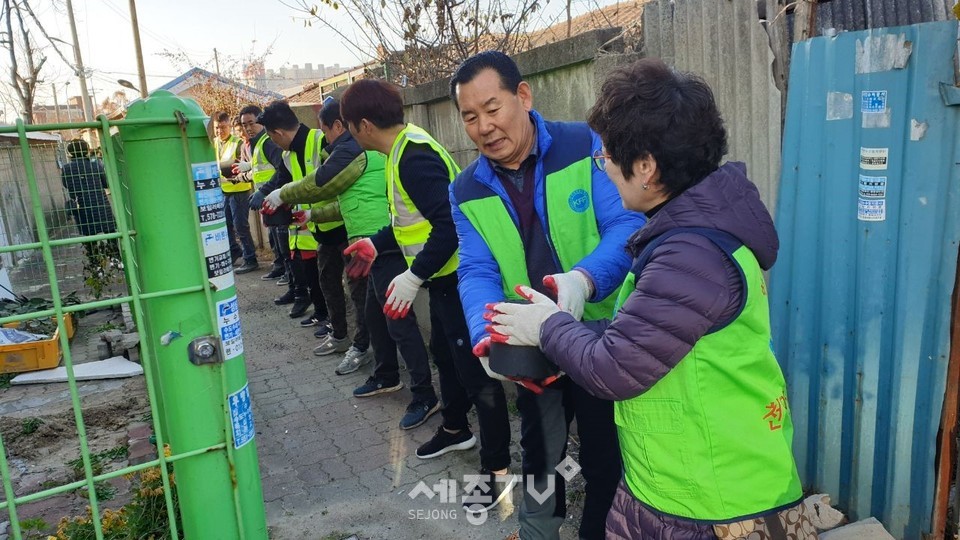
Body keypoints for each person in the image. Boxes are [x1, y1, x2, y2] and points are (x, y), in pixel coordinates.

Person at [487, 58, 816, 540]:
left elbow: (617, 366)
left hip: (715, 501)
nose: (605, 169)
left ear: (645, 167)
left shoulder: (690, 253)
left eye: (606, 159)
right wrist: (561, 325)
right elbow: (642, 334)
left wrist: (547, 327)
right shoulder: (682, 237)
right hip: (669, 481)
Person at [448, 51, 645, 539]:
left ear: (523, 95)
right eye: (470, 117)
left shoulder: (584, 145)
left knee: (605, 458)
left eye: (492, 109)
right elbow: (476, 269)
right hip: (532, 344)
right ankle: (538, 532)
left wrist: (583, 280)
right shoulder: (466, 188)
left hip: (600, 336)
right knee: (540, 456)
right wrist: (487, 335)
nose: (484, 127)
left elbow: (626, 222)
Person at [340, 78, 514, 509]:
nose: (347, 134)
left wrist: (413, 275)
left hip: (462, 281)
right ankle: (456, 429)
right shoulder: (401, 149)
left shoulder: (412, 156)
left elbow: (450, 226)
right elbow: (410, 222)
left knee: (479, 377)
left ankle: (497, 471)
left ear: (363, 125)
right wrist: (378, 244)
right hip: (445, 280)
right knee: (445, 352)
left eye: (346, 126)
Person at [263, 99, 382, 370]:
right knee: (333, 284)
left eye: (328, 130)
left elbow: (322, 183)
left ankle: (368, 351)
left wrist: (282, 194)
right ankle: (343, 336)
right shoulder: (291, 155)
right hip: (330, 227)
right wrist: (311, 215)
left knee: (364, 294)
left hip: (360, 233)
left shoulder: (342, 148)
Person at [255, 101, 337, 326]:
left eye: (272, 138)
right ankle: (321, 313)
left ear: (279, 133)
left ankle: (333, 322)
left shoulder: (321, 140)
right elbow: (283, 182)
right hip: (307, 228)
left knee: (331, 281)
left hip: (334, 224)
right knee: (314, 276)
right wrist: (270, 197)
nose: (274, 143)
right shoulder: (287, 156)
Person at [235, 105, 288, 283]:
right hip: (267, 199)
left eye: (252, 123)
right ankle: (280, 267)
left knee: (281, 237)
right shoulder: (257, 145)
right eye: (244, 125)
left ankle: (288, 272)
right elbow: (259, 170)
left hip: (277, 198)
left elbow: (281, 169)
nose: (248, 128)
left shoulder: (267, 142)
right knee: (274, 237)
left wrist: (266, 191)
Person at [61, 139, 119, 265]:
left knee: (89, 236)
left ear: (70, 153)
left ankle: (96, 265)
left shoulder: (66, 169)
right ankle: (115, 259)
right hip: (100, 203)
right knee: (110, 231)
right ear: (86, 150)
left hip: (81, 206)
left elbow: (66, 185)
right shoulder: (95, 165)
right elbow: (105, 183)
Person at [213, 111, 258, 274]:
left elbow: (240, 164)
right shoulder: (215, 143)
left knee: (241, 226)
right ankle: (235, 251)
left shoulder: (237, 142)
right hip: (224, 190)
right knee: (226, 224)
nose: (220, 131)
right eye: (217, 128)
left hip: (239, 190)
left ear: (229, 126)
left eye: (223, 127)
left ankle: (250, 258)